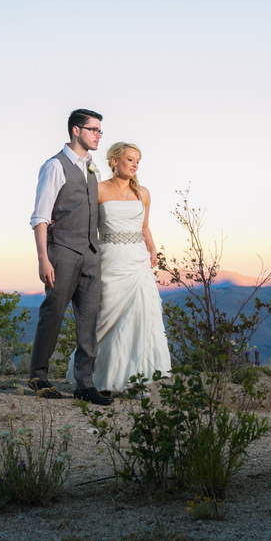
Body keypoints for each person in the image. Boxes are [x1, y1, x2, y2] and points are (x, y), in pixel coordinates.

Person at [68, 141, 171, 394]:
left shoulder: (143, 193)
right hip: (110, 259)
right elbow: (87, 226)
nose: (135, 164)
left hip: (138, 261)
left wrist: (153, 249)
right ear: (115, 161)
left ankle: (134, 379)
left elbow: (145, 226)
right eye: (130, 159)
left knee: (140, 318)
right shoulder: (99, 190)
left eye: (138, 160)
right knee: (106, 319)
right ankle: (98, 378)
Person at [28, 109, 113, 406]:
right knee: (53, 313)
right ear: (76, 131)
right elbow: (40, 217)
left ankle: (85, 384)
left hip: (91, 253)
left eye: (100, 131)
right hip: (62, 252)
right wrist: (43, 259)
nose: (98, 135)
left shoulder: (93, 169)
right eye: (94, 130)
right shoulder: (55, 166)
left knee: (88, 320)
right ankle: (38, 376)